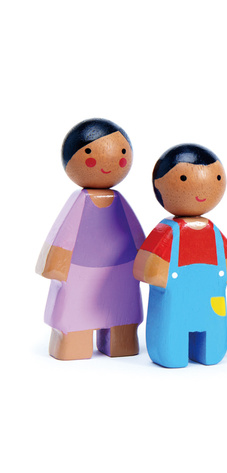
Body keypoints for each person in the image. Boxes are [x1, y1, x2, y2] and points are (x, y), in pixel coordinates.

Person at [36, 118, 144, 360]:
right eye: (90, 153)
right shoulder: (79, 202)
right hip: (78, 272)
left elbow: (139, 240)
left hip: (121, 272)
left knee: (122, 312)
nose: (111, 159)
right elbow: (63, 237)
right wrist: (55, 263)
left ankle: (122, 340)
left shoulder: (120, 202)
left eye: (122, 152)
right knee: (75, 312)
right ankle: (73, 343)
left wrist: (146, 262)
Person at [134, 144, 227, 368]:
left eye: (214, 179)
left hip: (211, 295)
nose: (202, 187)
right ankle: (172, 353)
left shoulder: (212, 230)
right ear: (159, 185)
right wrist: (158, 275)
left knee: (211, 326)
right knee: (174, 327)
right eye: (184, 179)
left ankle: (209, 351)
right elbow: (145, 267)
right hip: (176, 294)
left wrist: (226, 275)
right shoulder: (169, 230)